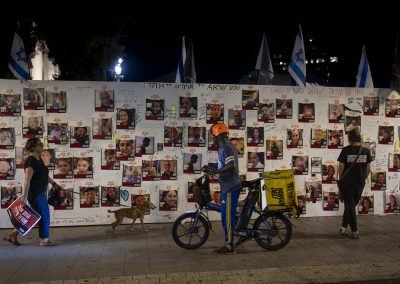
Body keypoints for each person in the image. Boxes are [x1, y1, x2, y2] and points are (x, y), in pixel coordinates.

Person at [4, 138, 58, 246]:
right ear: (33, 148)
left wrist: (54, 184)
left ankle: (13, 234)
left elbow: (43, 176)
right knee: (44, 214)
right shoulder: (31, 161)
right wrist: (24, 199)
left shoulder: (39, 159)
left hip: (40, 192)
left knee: (33, 217)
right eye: (39, 144)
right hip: (35, 194)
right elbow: (27, 181)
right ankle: (44, 240)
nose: (42, 145)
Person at [209, 123, 241, 254]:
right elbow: (225, 164)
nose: (212, 139)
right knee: (225, 216)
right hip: (228, 186)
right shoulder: (224, 147)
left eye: (213, 136)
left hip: (230, 186)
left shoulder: (226, 147)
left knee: (226, 217)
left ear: (217, 136)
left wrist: (216, 171)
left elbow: (231, 165)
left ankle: (229, 245)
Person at [337, 129, 372, 239]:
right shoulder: (366, 151)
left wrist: (341, 179)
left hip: (347, 182)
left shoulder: (345, 150)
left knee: (350, 206)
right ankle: (345, 228)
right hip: (360, 183)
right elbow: (368, 169)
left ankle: (354, 231)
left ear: (349, 138)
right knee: (351, 205)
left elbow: (341, 167)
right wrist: (363, 178)